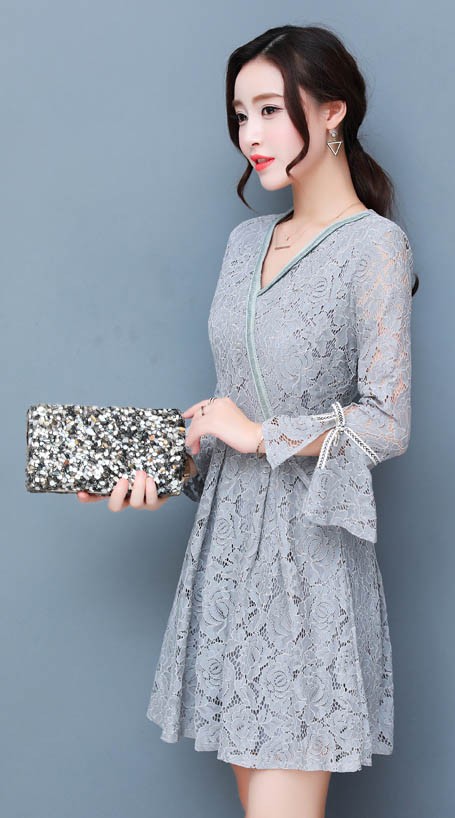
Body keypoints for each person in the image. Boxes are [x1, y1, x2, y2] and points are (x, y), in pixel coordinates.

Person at [78, 23, 418, 818]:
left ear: (331, 111)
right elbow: (230, 409)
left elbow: (388, 422)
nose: (250, 135)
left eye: (270, 109)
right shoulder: (244, 242)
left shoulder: (375, 247)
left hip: (308, 563)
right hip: (227, 557)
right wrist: (162, 467)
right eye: (240, 115)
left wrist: (260, 435)